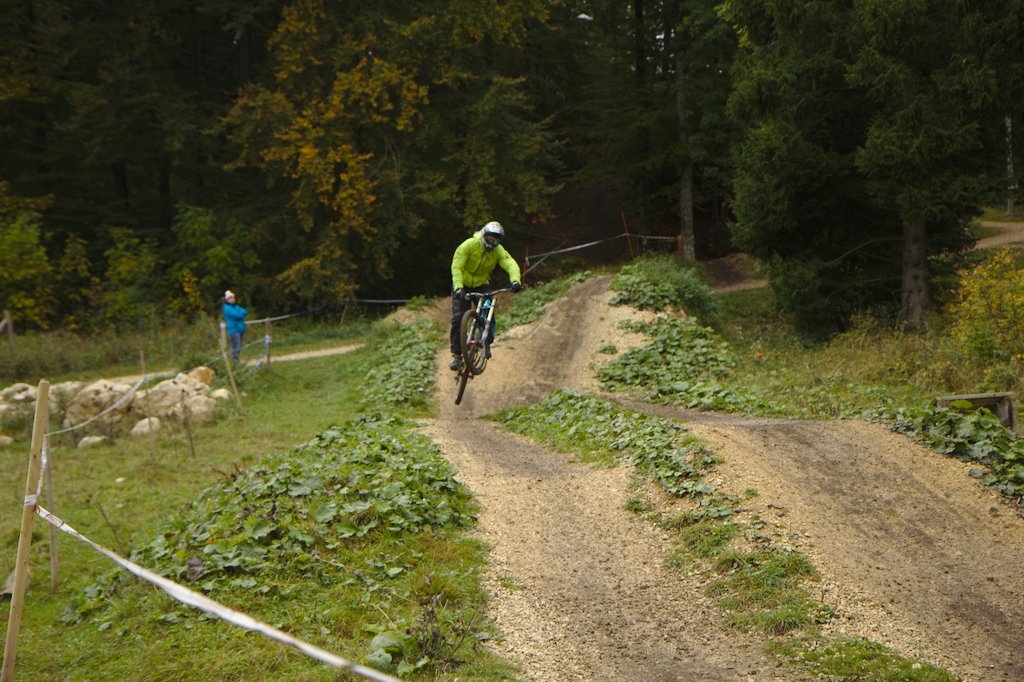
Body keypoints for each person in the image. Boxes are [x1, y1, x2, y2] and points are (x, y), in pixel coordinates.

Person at [449, 221, 523, 370]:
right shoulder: (469, 245)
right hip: (462, 284)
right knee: (458, 319)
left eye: (496, 240)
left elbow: (510, 263)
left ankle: (486, 342)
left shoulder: (498, 251)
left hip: (482, 285)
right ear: (484, 235)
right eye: (490, 238)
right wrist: (458, 287)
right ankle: (457, 356)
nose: (492, 242)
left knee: (489, 312)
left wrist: (515, 281)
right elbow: (457, 266)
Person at [222, 290, 248, 362]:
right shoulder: (226, 308)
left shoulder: (236, 307)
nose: (232, 299)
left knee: (239, 346)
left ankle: (236, 359)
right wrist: (240, 315)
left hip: (240, 328)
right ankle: (235, 360)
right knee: (236, 345)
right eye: (230, 298)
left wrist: (239, 314)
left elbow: (245, 311)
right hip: (233, 329)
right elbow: (236, 315)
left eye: (233, 298)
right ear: (227, 300)